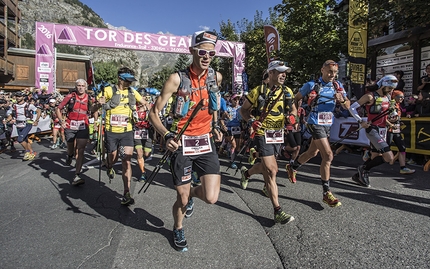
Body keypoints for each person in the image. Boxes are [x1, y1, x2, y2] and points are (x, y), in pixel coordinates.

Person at [149, 30, 222, 252]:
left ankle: (191, 194)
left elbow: (215, 104)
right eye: (202, 51)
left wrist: (216, 125)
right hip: (181, 143)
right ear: (192, 51)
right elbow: (153, 113)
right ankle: (178, 227)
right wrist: (167, 135)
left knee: (211, 197)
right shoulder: (177, 79)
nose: (207, 56)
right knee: (180, 199)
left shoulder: (215, 77)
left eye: (211, 53)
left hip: (205, 142)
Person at [239, 60, 296, 224]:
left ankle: (247, 173)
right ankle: (278, 210)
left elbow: (293, 110)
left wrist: (293, 117)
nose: (283, 74)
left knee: (266, 168)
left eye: (285, 72)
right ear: (271, 73)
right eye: (280, 71)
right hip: (262, 133)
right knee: (272, 170)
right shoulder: (258, 91)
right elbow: (243, 110)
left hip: (278, 135)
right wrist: (251, 121)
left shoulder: (287, 92)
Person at [290, 60, 349, 207]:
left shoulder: (338, 86)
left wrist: (342, 100)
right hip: (314, 121)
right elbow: (295, 99)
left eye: (335, 73)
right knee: (328, 155)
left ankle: (293, 167)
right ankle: (326, 193)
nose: (332, 75)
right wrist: (295, 115)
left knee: (312, 153)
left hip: (328, 123)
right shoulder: (311, 85)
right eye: (329, 72)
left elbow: (347, 104)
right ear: (322, 70)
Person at [95, 67, 146, 206]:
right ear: (119, 78)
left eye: (131, 81)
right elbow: (93, 108)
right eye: (127, 81)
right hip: (112, 131)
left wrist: (148, 108)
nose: (130, 83)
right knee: (113, 157)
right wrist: (97, 105)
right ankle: (109, 165)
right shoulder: (108, 91)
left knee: (127, 161)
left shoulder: (131, 92)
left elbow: (145, 102)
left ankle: (126, 192)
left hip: (127, 131)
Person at [348, 75, 398, 187]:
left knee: (375, 156)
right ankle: (363, 169)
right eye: (389, 88)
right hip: (372, 129)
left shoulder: (388, 97)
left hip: (383, 130)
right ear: (383, 85)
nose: (391, 91)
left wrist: (392, 120)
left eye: (392, 89)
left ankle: (359, 175)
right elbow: (352, 108)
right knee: (389, 157)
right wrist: (361, 121)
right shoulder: (370, 96)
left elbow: (385, 115)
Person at [56, 79, 93, 185]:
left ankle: (77, 175)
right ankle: (69, 155)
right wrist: (61, 121)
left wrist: (95, 122)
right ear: (76, 87)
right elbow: (58, 108)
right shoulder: (70, 97)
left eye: (83, 86)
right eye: (79, 86)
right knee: (71, 147)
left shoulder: (89, 98)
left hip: (83, 125)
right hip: (70, 125)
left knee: (80, 150)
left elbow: (94, 109)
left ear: (86, 87)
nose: (81, 87)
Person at [386, 90, 415, 174]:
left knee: (402, 148)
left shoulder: (398, 105)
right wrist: (392, 122)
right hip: (389, 129)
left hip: (396, 130)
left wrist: (399, 121)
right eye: (400, 97)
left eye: (403, 97)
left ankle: (403, 167)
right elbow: (385, 118)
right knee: (385, 149)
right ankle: (369, 156)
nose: (402, 99)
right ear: (394, 97)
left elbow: (396, 117)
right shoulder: (390, 105)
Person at [12, 91, 41, 161]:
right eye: (17, 96)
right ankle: (32, 152)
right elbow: (11, 114)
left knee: (20, 139)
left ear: (23, 97)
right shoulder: (14, 105)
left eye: (19, 96)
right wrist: (7, 120)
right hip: (18, 124)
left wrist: (36, 120)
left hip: (27, 123)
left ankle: (27, 152)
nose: (18, 98)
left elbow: (38, 111)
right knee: (25, 139)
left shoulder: (28, 105)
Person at [221, 93, 243, 169]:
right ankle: (232, 161)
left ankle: (228, 151)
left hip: (238, 128)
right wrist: (223, 126)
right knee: (234, 145)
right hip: (230, 128)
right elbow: (221, 119)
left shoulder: (241, 108)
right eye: (235, 99)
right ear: (231, 100)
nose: (236, 101)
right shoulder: (227, 108)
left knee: (237, 147)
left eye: (238, 99)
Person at [133, 98, 152, 182]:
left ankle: (143, 159)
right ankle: (143, 172)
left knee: (147, 154)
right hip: (137, 132)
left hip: (148, 132)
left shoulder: (149, 107)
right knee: (139, 153)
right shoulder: (134, 108)